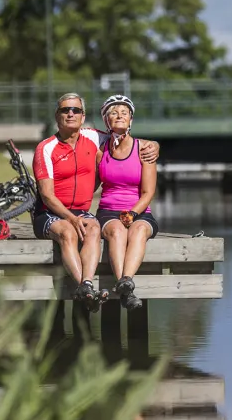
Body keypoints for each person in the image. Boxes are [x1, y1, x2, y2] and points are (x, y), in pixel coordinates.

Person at [32, 92, 160, 312]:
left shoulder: (94, 139)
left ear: (83, 117)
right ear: (57, 116)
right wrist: (71, 218)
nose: (71, 113)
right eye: (65, 110)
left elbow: (120, 135)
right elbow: (47, 195)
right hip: (50, 212)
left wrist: (154, 145)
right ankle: (84, 286)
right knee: (68, 232)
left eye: (76, 110)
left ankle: (88, 285)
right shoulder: (45, 148)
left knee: (92, 229)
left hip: (81, 211)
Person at [96, 95, 158, 311]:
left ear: (131, 119)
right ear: (106, 121)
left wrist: (133, 213)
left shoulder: (145, 149)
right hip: (108, 211)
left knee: (139, 230)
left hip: (139, 210)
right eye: (113, 112)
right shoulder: (101, 152)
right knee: (117, 232)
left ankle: (125, 281)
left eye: (124, 112)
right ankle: (126, 290)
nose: (119, 115)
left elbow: (148, 191)